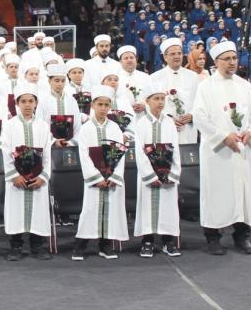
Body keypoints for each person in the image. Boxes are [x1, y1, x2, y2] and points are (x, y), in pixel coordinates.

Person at [193, 41, 251, 255]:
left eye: (234, 58)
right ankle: (213, 237)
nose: (232, 62)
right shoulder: (206, 86)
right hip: (218, 151)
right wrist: (224, 137)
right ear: (217, 62)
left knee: (242, 192)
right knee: (216, 192)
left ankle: (242, 236)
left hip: (242, 149)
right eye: (227, 59)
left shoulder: (245, 85)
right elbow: (200, 118)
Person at [72, 85, 128, 261]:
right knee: (90, 210)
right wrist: (96, 177)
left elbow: (121, 153)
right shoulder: (86, 128)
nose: (103, 108)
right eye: (100, 104)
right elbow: (84, 155)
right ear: (93, 105)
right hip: (94, 180)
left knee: (111, 210)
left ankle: (105, 245)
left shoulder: (115, 128)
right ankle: (80, 245)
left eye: (106, 105)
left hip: (111, 178)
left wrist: (114, 176)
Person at [2, 81, 53, 260]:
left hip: (37, 179)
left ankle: (37, 246)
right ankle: (15, 246)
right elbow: (6, 153)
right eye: (23, 101)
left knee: (38, 211)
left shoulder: (43, 126)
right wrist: (14, 176)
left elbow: (47, 154)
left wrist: (43, 176)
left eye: (31, 101)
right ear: (17, 103)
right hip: (17, 180)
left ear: (36, 102)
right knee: (16, 211)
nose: (27, 105)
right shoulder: (9, 126)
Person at [132, 83, 182, 258]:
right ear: (147, 101)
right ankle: (147, 241)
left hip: (167, 174)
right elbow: (139, 151)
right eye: (156, 99)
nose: (160, 102)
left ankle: (168, 241)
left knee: (168, 207)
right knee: (147, 207)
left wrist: (173, 173)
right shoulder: (141, 123)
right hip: (148, 176)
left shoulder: (169, 122)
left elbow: (175, 149)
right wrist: (150, 175)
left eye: (162, 98)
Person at [150, 38, 199, 144]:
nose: (177, 56)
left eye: (179, 53)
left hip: (188, 127)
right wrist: (167, 118)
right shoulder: (154, 77)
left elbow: (199, 101)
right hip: (165, 127)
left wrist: (192, 115)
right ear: (165, 57)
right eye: (172, 54)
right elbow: (150, 105)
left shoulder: (193, 76)